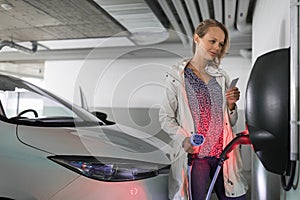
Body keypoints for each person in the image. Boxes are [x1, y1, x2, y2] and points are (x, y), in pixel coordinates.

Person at [159, 19, 248, 200]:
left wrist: (231, 106)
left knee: (234, 196)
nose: (217, 47)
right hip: (197, 156)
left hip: (223, 153)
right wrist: (183, 139)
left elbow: (229, 121)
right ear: (197, 38)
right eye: (212, 41)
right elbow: (165, 117)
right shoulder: (177, 76)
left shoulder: (221, 76)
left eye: (221, 44)